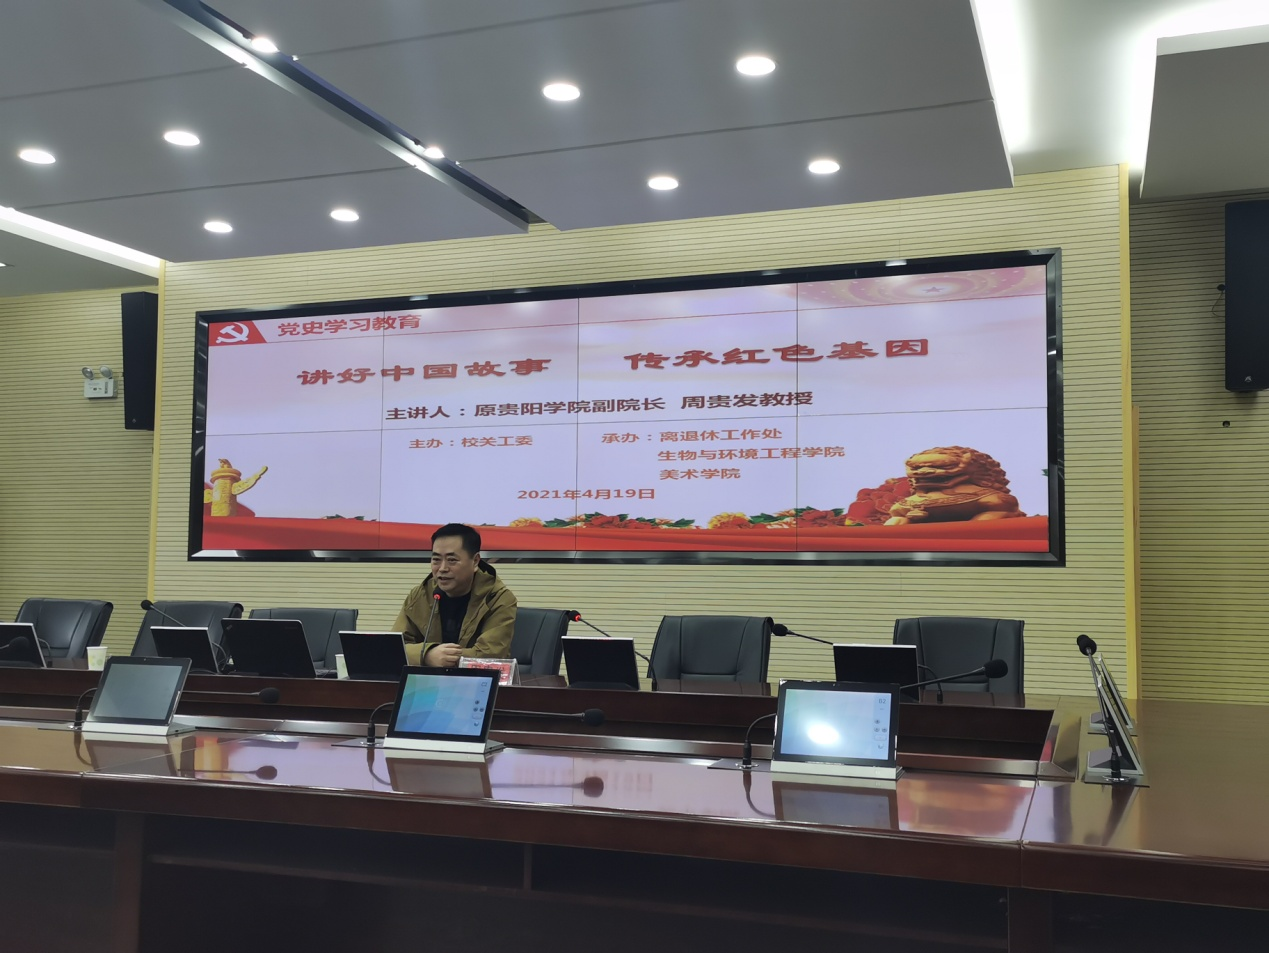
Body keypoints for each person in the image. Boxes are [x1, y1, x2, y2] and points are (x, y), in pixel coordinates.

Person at [394, 523, 517, 666]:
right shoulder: (420, 595)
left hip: (475, 678)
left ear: (475, 561)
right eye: (436, 559)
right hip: (427, 678)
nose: (442, 568)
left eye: (452, 560)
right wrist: (427, 655)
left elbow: (491, 655)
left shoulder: (498, 598)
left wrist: (443, 658)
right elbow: (395, 647)